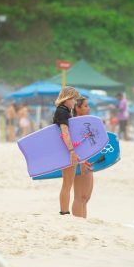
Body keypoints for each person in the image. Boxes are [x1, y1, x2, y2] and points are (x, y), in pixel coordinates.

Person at [53, 86, 81, 215]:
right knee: (67, 182)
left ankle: (64, 211)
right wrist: (71, 151)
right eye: (74, 99)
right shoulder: (62, 112)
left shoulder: (63, 111)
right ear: (68, 99)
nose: (75, 103)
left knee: (68, 182)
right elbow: (65, 133)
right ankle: (64, 211)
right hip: (66, 150)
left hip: (65, 149)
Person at [72, 97, 93, 218]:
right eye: (85, 106)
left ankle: (83, 222)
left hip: (89, 160)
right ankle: (78, 223)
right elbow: (76, 145)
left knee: (86, 197)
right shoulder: (74, 123)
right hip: (81, 161)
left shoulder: (86, 123)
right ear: (77, 108)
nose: (88, 108)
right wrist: (81, 162)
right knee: (79, 196)